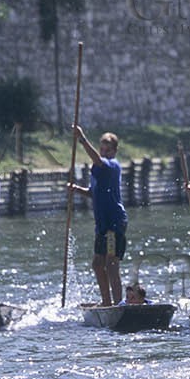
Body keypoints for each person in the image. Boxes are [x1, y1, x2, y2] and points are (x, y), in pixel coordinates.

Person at [68, 124, 128, 306]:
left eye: (107, 150)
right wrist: (76, 190)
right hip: (102, 224)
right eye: (101, 149)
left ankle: (118, 304)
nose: (103, 152)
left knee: (111, 263)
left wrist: (82, 138)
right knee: (97, 264)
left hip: (113, 223)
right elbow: (94, 192)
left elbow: (97, 160)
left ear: (114, 151)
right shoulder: (98, 171)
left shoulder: (112, 165)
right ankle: (106, 302)